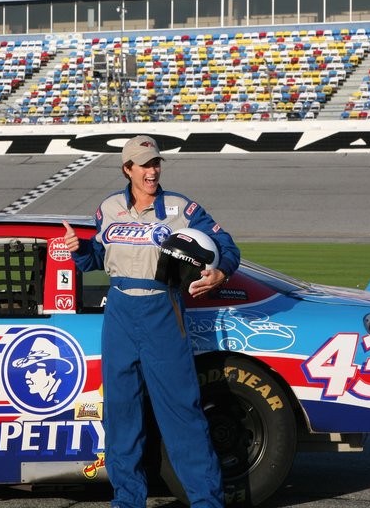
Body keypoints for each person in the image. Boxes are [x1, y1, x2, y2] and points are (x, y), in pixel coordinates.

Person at [62, 135, 240, 508]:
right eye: (144, 164)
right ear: (127, 169)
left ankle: (207, 501)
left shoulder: (181, 208)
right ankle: (127, 500)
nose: (152, 170)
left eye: (156, 163)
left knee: (181, 410)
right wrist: (80, 251)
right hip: (120, 312)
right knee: (121, 414)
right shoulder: (108, 207)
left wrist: (221, 272)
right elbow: (98, 257)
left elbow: (227, 245)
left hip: (163, 309)